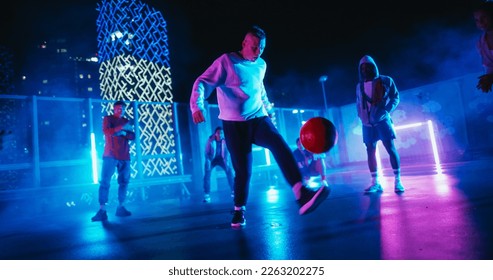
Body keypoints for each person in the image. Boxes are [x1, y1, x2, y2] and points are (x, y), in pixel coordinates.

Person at [190, 25, 330, 228]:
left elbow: (260, 89)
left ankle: (302, 193)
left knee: (279, 144)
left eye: (261, 48)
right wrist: (197, 106)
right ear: (244, 44)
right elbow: (202, 82)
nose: (257, 52)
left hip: (258, 118)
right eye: (254, 47)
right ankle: (238, 210)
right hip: (233, 124)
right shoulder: (227, 62)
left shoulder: (261, 65)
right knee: (243, 171)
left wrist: (268, 109)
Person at [355, 55, 405, 194]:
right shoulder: (359, 85)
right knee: (370, 151)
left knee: (390, 148)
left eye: (367, 67)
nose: (365, 70)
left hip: (382, 120)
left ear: (373, 67)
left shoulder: (385, 80)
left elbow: (395, 96)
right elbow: (358, 102)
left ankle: (398, 180)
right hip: (367, 124)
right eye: (362, 68)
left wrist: (387, 110)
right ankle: (375, 183)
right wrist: (360, 115)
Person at [92, 100, 136, 222]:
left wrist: (122, 132)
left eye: (123, 108)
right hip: (110, 155)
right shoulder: (108, 119)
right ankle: (102, 210)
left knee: (124, 182)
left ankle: (120, 207)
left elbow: (132, 136)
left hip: (124, 156)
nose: (121, 110)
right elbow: (107, 132)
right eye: (118, 108)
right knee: (105, 182)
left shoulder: (126, 121)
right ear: (114, 108)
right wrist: (122, 129)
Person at [202, 126, 235, 203]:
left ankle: (234, 191)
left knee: (230, 172)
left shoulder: (225, 141)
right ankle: (207, 194)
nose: (220, 134)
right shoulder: (210, 140)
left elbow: (227, 153)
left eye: (221, 133)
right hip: (212, 159)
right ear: (215, 134)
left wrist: (227, 163)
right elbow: (206, 152)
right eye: (218, 133)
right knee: (207, 175)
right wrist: (208, 162)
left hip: (222, 159)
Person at [474, 1, 493, 93]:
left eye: (483, 18)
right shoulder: (481, 43)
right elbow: (490, 66)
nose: (480, 22)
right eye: (477, 20)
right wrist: (487, 79)